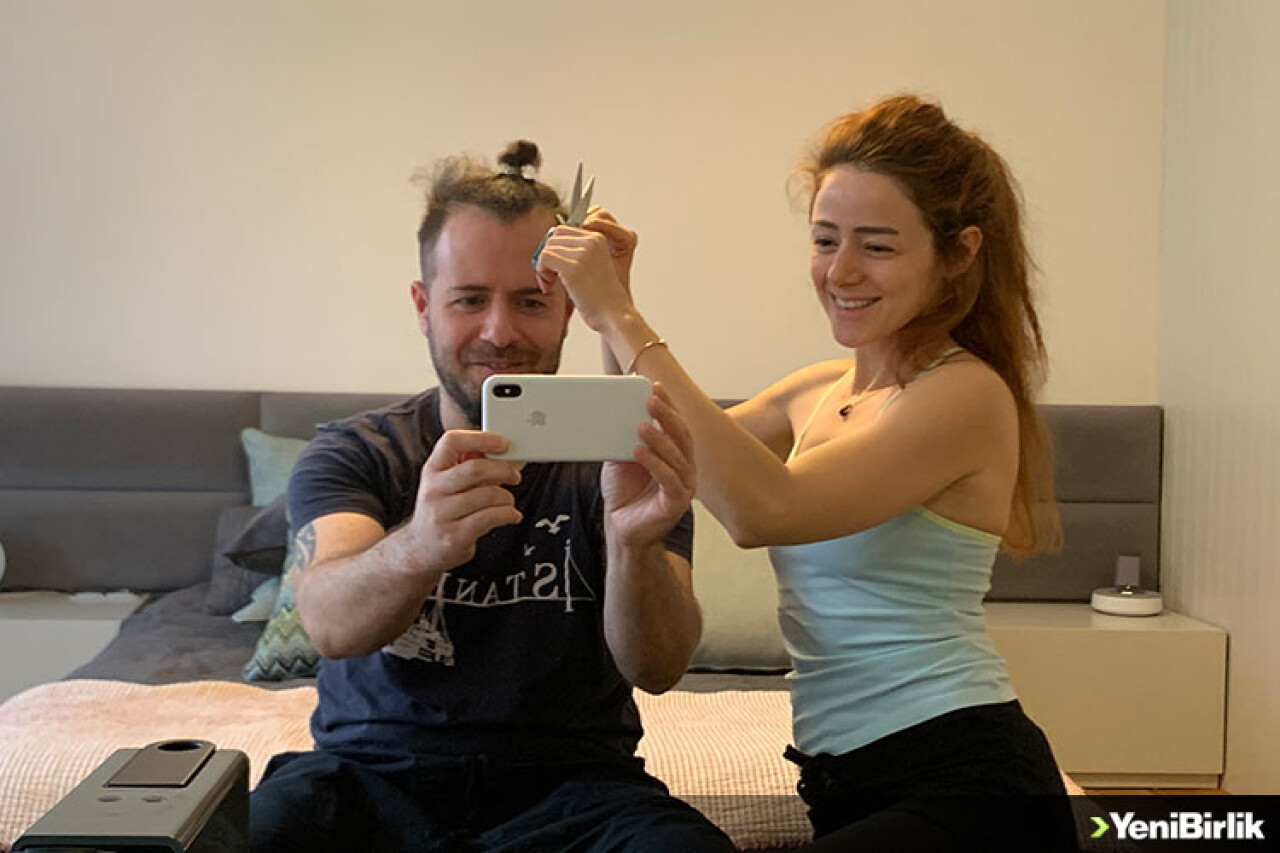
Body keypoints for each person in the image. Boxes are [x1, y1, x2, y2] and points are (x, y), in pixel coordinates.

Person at [538, 96, 1081, 851]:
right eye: (826, 240)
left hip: (965, 779)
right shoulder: (818, 391)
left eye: (877, 246)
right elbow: (650, 439)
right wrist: (616, 304)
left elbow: (762, 509)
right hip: (846, 785)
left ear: (959, 253)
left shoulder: (965, 395)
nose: (841, 271)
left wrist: (618, 318)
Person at [249, 141, 736, 853]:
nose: (500, 332)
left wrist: (632, 542)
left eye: (531, 301)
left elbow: (657, 668)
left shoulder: (623, 452)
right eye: (470, 299)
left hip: (575, 791)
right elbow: (328, 623)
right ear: (424, 307)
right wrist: (420, 545)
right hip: (368, 782)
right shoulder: (358, 452)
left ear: (568, 311)